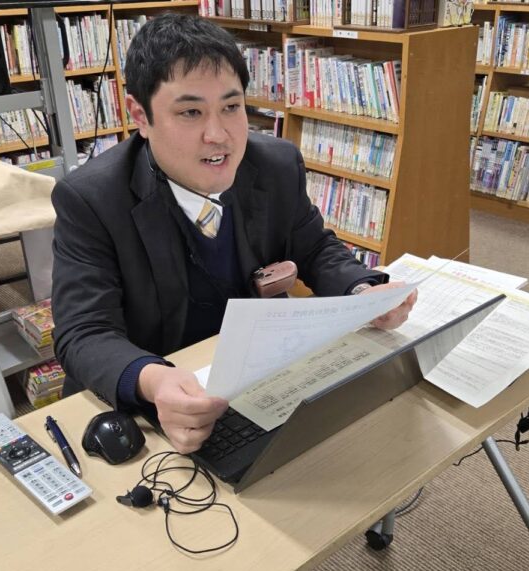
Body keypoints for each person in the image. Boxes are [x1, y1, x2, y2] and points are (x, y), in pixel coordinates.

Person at [51, 13, 416, 454]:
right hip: (157, 402)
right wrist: (155, 380)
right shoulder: (91, 199)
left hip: (255, 381)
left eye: (231, 107)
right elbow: (84, 331)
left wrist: (363, 292)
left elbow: (315, 247)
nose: (218, 135)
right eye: (190, 112)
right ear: (140, 116)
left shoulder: (275, 165)